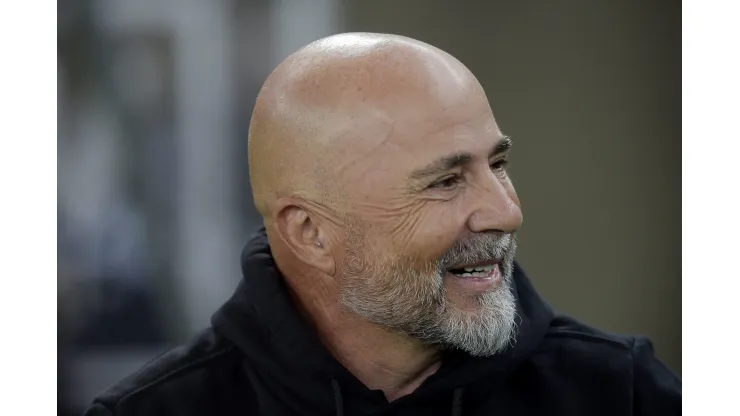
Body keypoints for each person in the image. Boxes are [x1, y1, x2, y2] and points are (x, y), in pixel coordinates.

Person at [84, 33, 681, 416]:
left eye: (497, 164)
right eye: (446, 181)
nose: (507, 211)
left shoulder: (620, 393)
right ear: (310, 232)